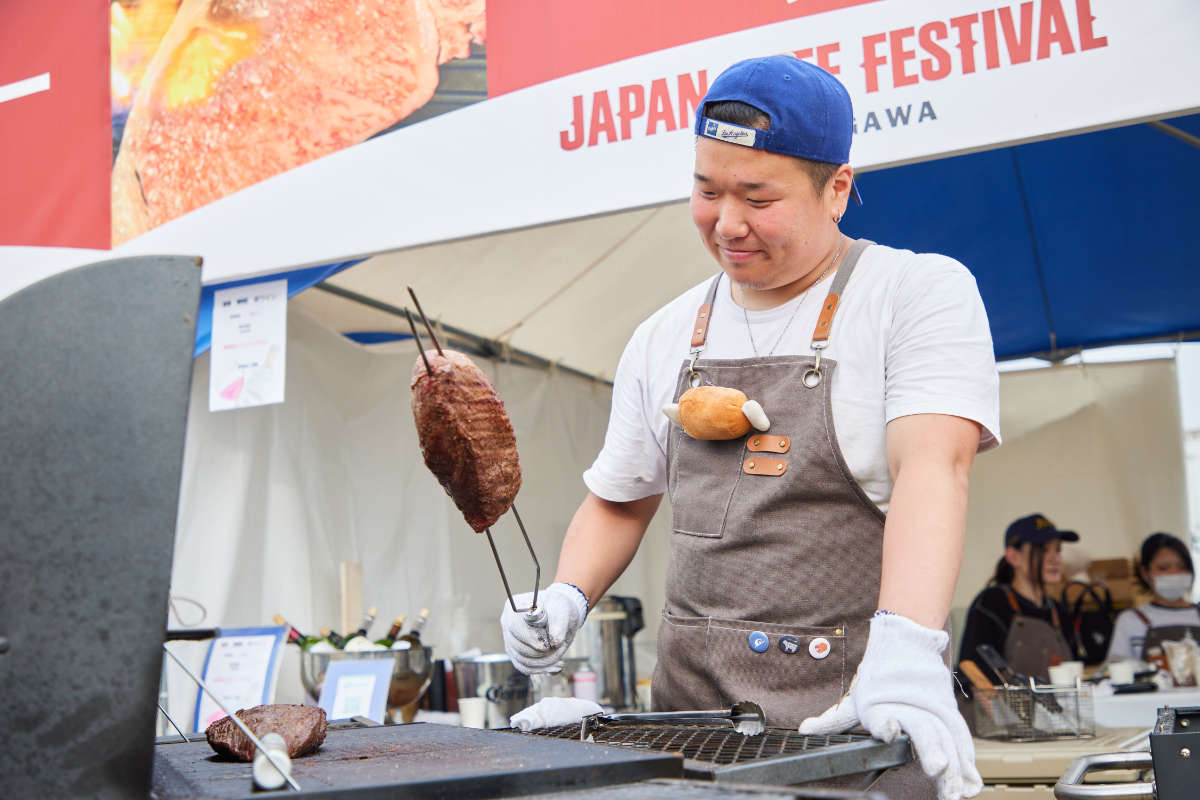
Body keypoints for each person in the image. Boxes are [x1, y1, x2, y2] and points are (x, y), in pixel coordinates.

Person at [501, 55, 1000, 800]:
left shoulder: (913, 295)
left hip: (854, 728)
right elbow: (621, 497)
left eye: (758, 197)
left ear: (838, 189)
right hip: (691, 741)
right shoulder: (665, 334)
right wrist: (567, 597)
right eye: (707, 190)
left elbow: (936, 467)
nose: (727, 223)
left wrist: (907, 648)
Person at [958, 514, 1078, 681]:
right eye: (1043, 550)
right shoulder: (992, 603)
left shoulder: (1059, 611)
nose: (1055, 558)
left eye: (1058, 550)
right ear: (1014, 556)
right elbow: (972, 672)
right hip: (1006, 707)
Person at [1105, 532, 1200, 663]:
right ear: (1145, 573)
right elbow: (1118, 671)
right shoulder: (1130, 621)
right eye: (1163, 568)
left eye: (1181, 567)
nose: (1174, 574)